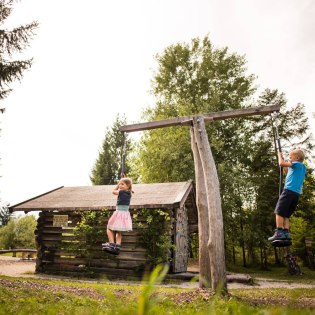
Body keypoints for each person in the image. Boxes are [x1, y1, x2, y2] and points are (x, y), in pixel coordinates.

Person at [268, 148, 306, 242]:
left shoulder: (296, 164)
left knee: (279, 211)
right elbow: (287, 172)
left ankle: (279, 232)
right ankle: (286, 233)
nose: (289, 158)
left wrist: (279, 156)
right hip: (296, 194)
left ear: (296, 157)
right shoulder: (302, 167)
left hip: (288, 191)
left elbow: (281, 163)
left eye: (290, 157)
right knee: (286, 214)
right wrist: (286, 164)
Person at [102, 177, 134, 255]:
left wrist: (117, 184)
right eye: (120, 184)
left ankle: (112, 244)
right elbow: (129, 185)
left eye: (122, 184)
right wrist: (123, 181)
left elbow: (113, 192)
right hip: (125, 214)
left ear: (128, 186)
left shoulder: (121, 192)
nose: (120, 185)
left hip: (119, 213)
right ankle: (118, 246)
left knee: (109, 228)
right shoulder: (130, 193)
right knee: (119, 231)